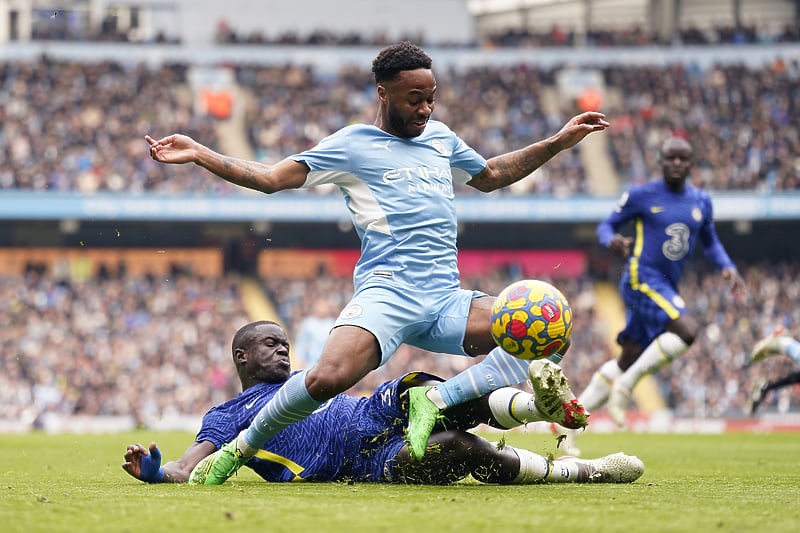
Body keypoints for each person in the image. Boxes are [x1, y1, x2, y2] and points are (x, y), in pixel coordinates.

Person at [146, 41, 607, 482]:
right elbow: (270, 179)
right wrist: (201, 154)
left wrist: (557, 142)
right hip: (387, 294)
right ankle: (237, 451)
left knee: (549, 331)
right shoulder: (352, 144)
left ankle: (442, 399)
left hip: (446, 298)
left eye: (431, 99)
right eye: (414, 100)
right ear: (383, 94)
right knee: (327, 377)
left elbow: (491, 175)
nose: (426, 110)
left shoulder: (441, 138)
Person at [122, 321, 645, 485]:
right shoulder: (226, 416)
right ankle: (579, 471)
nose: (282, 348)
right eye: (269, 343)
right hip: (358, 463)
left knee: (427, 390)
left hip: (372, 411)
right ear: (241, 356)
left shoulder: (310, 378)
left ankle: (538, 408)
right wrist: (156, 472)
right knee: (458, 449)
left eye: (285, 342)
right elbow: (189, 467)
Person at [560, 135, 746, 454]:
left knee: (626, 358)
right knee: (687, 330)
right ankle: (628, 386)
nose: (676, 164)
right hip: (640, 278)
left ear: (690, 163)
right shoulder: (642, 194)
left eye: (682, 159)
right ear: (660, 161)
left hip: (665, 287)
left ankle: (568, 427)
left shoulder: (701, 201)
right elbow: (606, 225)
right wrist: (611, 241)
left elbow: (711, 242)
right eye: (670, 158)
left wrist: (727, 266)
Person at [748, 326, 800, 414]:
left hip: (772, 347)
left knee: (790, 379)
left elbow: (755, 355)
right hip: (774, 346)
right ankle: (765, 388)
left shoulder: (783, 343)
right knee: (790, 379)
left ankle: (765, 388)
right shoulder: (784, 342)